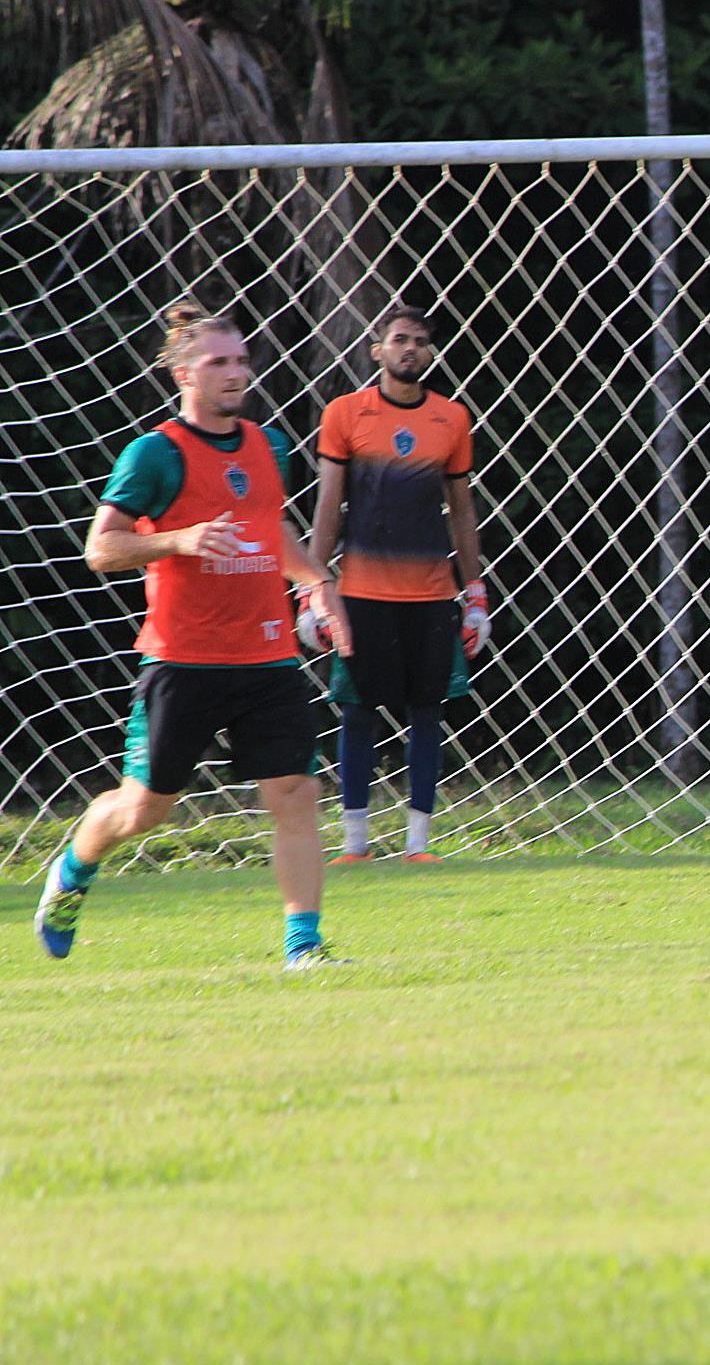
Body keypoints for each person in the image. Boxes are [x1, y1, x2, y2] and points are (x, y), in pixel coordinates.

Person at [34, 303, 355, 968]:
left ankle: (304, 946)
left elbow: (270, 528)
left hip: (266, 654)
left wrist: (316, 583)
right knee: (145, 809)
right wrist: (179, 538)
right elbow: (101, 548)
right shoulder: (155, 453)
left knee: (294, 791)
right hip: (182, 659)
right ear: (184, 372)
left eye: (240, 359)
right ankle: (71, 870)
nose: (236, 372)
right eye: (218, 362)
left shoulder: (269, 446)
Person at [309, 304, 487, 864]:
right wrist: (313, 591)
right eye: (400, 339)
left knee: (427, 714)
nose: (410, 349)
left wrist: (476, 595)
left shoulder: (452, 419)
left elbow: (461, 510)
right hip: (360, 593)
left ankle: (417, 846)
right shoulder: (344, 414)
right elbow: (327, 507)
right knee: (356, 712)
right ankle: (355, 844)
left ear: (431, 354)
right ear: (377, 350)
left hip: (432, 594)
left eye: (420, 342)